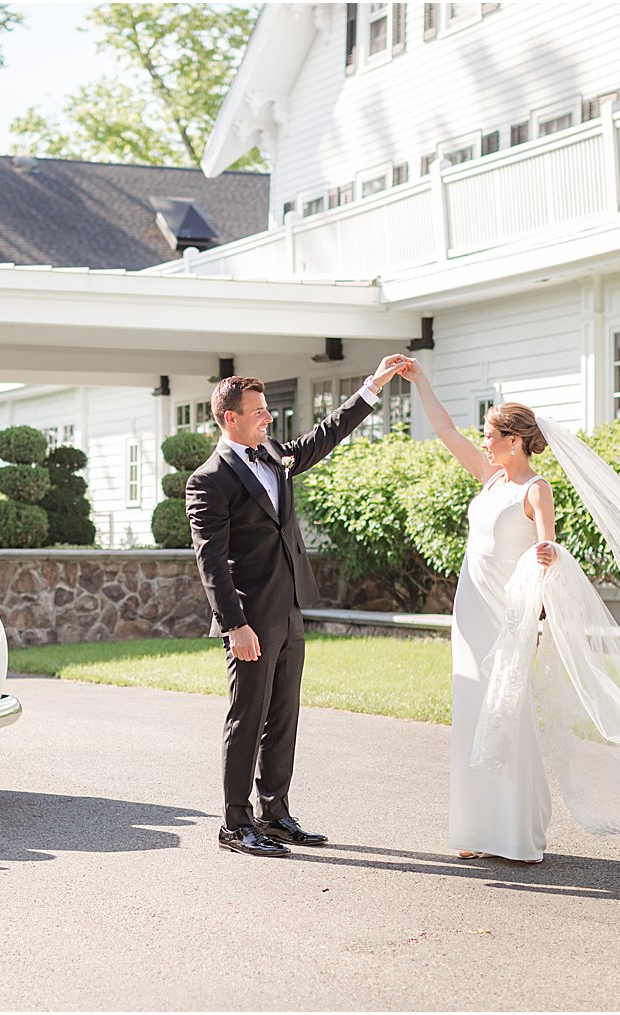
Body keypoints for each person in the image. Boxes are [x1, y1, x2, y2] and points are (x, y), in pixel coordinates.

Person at [186, 354, 410, 858]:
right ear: (231, 418)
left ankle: (275, 813)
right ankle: (235, 823)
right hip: (250, 618)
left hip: (289, 609)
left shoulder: (273, 455)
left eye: (267, 411)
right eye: (260, 411)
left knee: (284, 714)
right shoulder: (209, 480)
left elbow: (325, 436)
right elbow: (211, 562)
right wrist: (235, 625)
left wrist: (372, 386)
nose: (268, 417)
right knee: (248, 715)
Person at [399, 358, 556, 863]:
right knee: (471, 711)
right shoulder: (489, 477)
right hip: (469, 614)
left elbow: (546, 547)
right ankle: (477, 828)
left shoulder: (536, 489)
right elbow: (443, 429)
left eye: (490, 435)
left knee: (507, 712)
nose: (483, 442)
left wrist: (547, 556)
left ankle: (514, 834)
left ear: (514, 440)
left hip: (508, 616)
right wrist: (421, 381)